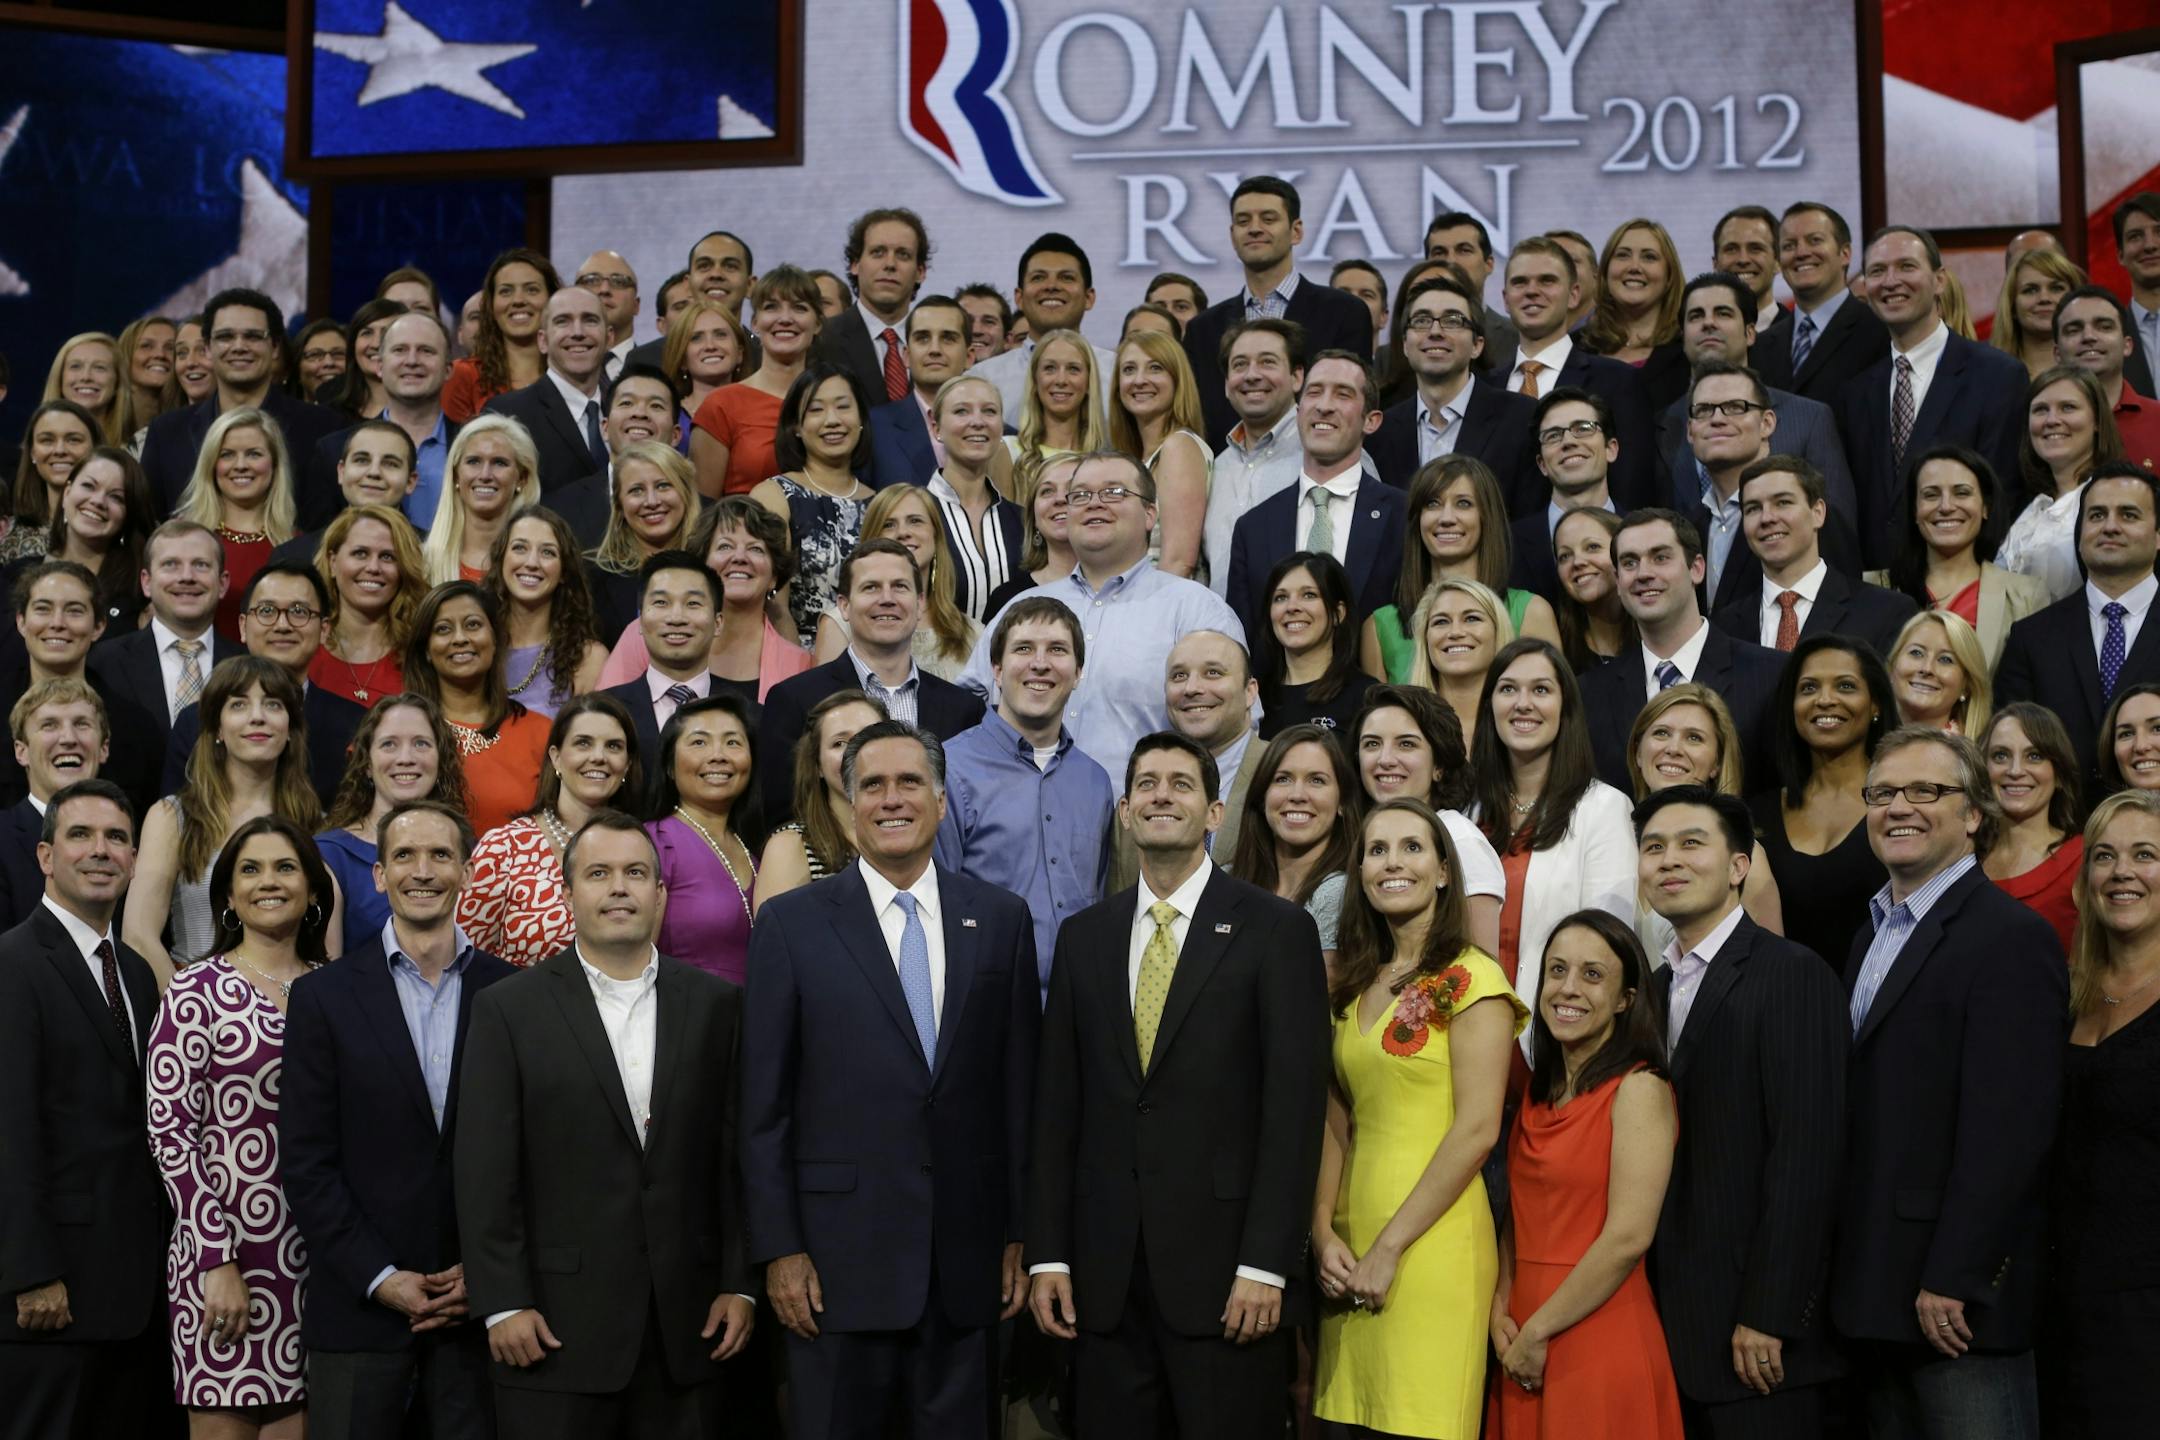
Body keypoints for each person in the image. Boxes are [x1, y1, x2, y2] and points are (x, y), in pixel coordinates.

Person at [1028, 730, 1329, 1438]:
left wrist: (1268, 1264)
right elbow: (1056, 1110)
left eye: (1182, 784)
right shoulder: (1085, 937)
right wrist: (1049, 1252)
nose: (1163, 795)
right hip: (1103, 1283)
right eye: (1148, 785)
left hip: (1228, 1279)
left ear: (1215, 813)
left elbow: (1294, 1112)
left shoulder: (1275, 931)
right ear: (1126, 812)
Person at [745, 718, 1039, 1433]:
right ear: (849, 805)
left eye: (911, 782)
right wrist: (781, 1248)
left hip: (967, 1269)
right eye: (871, 785)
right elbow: (762, 1108)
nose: (892, 799)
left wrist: (1019, 1234)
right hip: (835, 1270)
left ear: (942, 801)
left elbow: (1020, 1094)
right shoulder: (791, 925)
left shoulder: (1000, 920)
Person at [454, 810, 755, 1435]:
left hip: (692, 1330)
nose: (619, 887)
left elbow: (738, 1162)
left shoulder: (719, 1006)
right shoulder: (507, 1009)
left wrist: (741, 1284)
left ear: (661, 895)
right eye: (599, 873)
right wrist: (502, 1300)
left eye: (636, 873)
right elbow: (485, 1170)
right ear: (568, 895)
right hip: (552, 1332)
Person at [1837, 728, 2067, 1438]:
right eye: (1883, 793)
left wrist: (1956, 1273)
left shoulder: (2010, 937)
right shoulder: (1871, 931)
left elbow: (2012, 1129)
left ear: (1974, 814)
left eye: (1926, 791)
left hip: (1955, 1306)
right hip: (1875, 1290)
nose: (1899, 807)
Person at [281, 798, 512, 1440]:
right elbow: (306, 1162)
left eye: (441, 854)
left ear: (466, 871)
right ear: (379, 876)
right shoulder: (323, 997)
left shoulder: (516, 992)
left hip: (480, 1320)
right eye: (404, 855)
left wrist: (486, 1274)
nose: (423, 870)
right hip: (360, 1317)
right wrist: (381, 1279)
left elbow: (532, 1158)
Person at [1634, 785, 1849, 1438]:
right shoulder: (1653, 986)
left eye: (1691, 843)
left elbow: (1806, 1153)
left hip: (1758, 1342)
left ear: (1739, 866)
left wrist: (1771, 1312)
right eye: (1653, 847)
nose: (1669, 859)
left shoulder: (1790, 972)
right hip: (1670, 1329)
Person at [1309, 796, 1522, 1435]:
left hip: (1431, 1251)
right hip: (1349, 1250)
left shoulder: (1473, 978)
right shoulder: (1353, 984)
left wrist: (1390, 1249)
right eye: (1376, 850)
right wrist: (1321, 1229)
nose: (1391, 863)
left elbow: (1479, 1129)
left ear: (1443, 872)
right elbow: (1336, 1122)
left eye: (1411, 848)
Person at [0, 779, 177, 1440]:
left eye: (117, 839)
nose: (100, 851)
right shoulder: (13, 964)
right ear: (46, 856)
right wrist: (31, 1273)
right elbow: (9, 1132)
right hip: (50, 1300)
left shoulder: (133, 970)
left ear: (135, 859)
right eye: (80, 835)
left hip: (134, 1298)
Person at [146, 816, 334, 1433]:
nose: (267, 882)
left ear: (311, 889)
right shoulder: (195, 991)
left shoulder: (341, 991)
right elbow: (171, 1133)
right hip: (225, 1259)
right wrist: (215, 1260)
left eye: (285, 867)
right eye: (249, 870)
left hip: (326, 1260)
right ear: (227, 894)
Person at [1487, 906, 1680, 1438]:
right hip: (1521, 1334)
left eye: (1592, 975)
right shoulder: (1537, 1090)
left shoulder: (1640, 1091)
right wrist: (1500, 1308)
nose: (1568, 989)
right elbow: (1516, 1216)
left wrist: (1538, 1331)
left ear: (1626, 1000)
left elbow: (1627, 1237)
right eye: (1557, 970)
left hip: (1595, 1332)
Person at [962, 451, 1243, 780]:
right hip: (1022, 817)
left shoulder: (1196, 609)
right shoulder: (1024, 609)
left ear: (1150, 514)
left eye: (1114, 492)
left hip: (1143, 821)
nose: (1095, 503)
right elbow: (965, 707)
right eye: (1080, 495)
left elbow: (1235, 733)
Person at [2041, 789, 2160, 1435]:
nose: (2122, 872)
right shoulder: (2065, 994)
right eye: (2105, 856)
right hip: (2062, 1304)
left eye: (2146, 855)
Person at [934, 596, 1113, 998]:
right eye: (1024, 648)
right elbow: (935, 900)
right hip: (985, 1001)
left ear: (1078, 672)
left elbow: (1100, 898)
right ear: (996, 670)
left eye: (1057, 650)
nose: (1040, 663)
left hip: (1078, 1003)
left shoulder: (1096, 782)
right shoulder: (949, 768)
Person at [1837, 226, 2031, 569]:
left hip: (1968, 590)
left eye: (1907, 267)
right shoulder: (1854, 393)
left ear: (1939, 280)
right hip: (1877, 597)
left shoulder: (1998, 376)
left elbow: (2004, 496)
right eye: (1877, 271)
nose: (1891, 281)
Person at [126, 657, 322, 985]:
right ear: (217, 727)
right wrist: (189, 1007)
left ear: (290, 728)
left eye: (272, 704)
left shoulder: (316, 824)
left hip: (294, 1013)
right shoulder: (173, 816)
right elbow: (139, 934)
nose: (257, 717)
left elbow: (324, 949)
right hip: (196, 1013)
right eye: (239, 704)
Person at [760, 538, 984, 820]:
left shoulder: (965, 709)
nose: (887, 599)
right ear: (843, 606)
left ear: (919, 604)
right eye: (871, 587)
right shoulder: (794, 700)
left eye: (899, 587)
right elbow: (781, 812)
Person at [1471, 637, 1638, 999]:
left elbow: (1607, 943)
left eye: (1541, 690)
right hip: (1468, 1022)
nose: (1523, 704)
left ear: (1565, 709)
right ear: (1490, 706)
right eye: (1508, 689)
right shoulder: (1468, 812)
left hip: (1559, 1024)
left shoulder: (1604, 808)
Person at [1578, 508, 1788, 790]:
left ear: (1696, 568)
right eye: (1629, 563)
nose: (1643, 573)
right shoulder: (1589, 693)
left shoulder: (1771, 675)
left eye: (1660, 557)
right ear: (1617, 581)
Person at [1996, 462, 2160, 788]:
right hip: (2061, 829)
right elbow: (2008, 746)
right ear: (2080, 534)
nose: (2110, 527)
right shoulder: (2031, 637)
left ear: (2158, 536)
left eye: (2129, 515)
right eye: (2097, 516)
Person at [1177, 178, 1374, 446]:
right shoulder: (1203, 329)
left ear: (1296, 231)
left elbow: (1354, 404)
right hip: (1227, 476)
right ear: (1232, 234)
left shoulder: (1344, 312)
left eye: (1268, 219)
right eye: (1244, 221)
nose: (1255, 229)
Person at [1657, 274, 1860, 532]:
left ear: (1750, 333)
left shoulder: (1810, 418)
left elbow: (1837, 524)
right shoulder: (1664, 424)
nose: (1708, 323)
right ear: (1683, 336)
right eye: (1696, 316)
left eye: (1723, 313)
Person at [1226, 350, 1405, 637]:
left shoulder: (1404, 516)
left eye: (1342, 394)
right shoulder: (1253, 527)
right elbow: (1243, 640)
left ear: (1371, 421)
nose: (1324, 406)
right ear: (1298, 413)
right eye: (1314, 392)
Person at [162, 562, 368, 807]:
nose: (282, 625)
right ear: (242, 626)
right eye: (267, 610)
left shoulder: (356, 723)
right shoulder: (198, 720)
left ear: (324, 630)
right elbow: (178, 816)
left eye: (299, 612)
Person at [457, 692, 639, 968]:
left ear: (626, 764)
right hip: (519, 1008)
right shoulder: (504, 848)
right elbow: (462, 957)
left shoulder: (640, 848)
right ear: (556, 757)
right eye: (583, 743)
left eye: (613, 746)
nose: (599, 757)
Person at [1749, 634, 1896, 974]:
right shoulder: (1756, 814)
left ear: (1875, 704)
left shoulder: (1900, 809)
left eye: (1845, 687)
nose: (1825, 700)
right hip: (1781, 1009)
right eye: (1809, 688)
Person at [140, 287, 347, 525]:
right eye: (226, 336)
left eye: (253, 336)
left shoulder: (324, 427)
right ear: (208, 348)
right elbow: (148, 524)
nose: (239, 346)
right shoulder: (166, 432)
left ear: (275, 347)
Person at [1364, 455, 1560, 683]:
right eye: (1432, 504)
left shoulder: (1531, 613)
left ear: (1487, 517)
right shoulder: (1380, 626)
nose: (1446, 518)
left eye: (1463, 503)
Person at [1494, 237, 1658, 509]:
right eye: (1520, 282)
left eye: (1547, 281)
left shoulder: (1617, 381)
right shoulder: (1484, 386)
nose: (1532, 291)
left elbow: (1633, 484)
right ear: (1505, 300)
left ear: (1573, 295)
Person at [597, 496, 814, 700]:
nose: (739, 557)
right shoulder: (647, 632)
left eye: (756, 549)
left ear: (774, 577)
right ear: (703, 566)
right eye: (725, 546)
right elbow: (604, 718)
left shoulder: (797, 664)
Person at [1625, 683, 1785, 953]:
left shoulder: (1745, 856)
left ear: (1717, 764)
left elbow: (1769, 970)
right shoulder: (1612, 835)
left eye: (1694, 738)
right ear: (1639, 752)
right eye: (1662, 733)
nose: (1674, 748)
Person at [1349, 684, 1506, 955]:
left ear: (1439, 766)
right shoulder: (1363, 835)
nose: (1385, 759)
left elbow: (1481, 974)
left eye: (1406, 744)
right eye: (1372, 744)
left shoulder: (1460, 839)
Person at [1716, 455, 1916, 660]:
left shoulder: (1885, 612)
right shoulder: (1724, 627)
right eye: (1753, 508)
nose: (1767, 518)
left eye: (1783, 503)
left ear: (1817, 513)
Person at [317, 692, 467, 956]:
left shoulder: (468, 851)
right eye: (389, 745)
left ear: (441, 760)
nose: (406, 758)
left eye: (421, 744)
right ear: (365, 764)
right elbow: (325, 979)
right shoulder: (330, 855)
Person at [1368, 272, 1540, 502]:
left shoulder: (1523, 418)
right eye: (1421, 321)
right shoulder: (1379, 432)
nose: (1436, 332)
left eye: (1452, 321)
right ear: (1405, 346)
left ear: (1477, 346)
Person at [1879, 445, 2051, 669]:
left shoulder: (2027, 597)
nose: (1946, 507)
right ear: (1914, 511)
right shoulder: (1874, 587)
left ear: (1985, 508)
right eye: (1931, 495)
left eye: (1962, 493)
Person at [402, 581, 551, 837]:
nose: (460, 638)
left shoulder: (542, 732)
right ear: (426, 649)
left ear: (496, 639)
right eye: (443, 629)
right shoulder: (397, 728)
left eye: (473, 625)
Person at [1222, 722, 1359, 988]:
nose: (1297, 795)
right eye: (1283, 779)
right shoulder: (1225, 879)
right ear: (1262, 797)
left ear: (1342, 802)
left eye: (1316, 781)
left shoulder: (1339, 892)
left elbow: (1314, 996)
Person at [87, 518, 239, 753]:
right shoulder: (103, 663)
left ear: (222, 583)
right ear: (146, 582)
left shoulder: (247, 664)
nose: (187, 577)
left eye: (201, 565)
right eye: (171, 565)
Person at [750, 364, 875, 647]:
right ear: (795, 426)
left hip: (876, 660)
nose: (832, 420)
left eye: (843, 407)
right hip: (799, 660)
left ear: (861, 420)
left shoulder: (880, 503)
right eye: (816, 410)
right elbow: (772, 606)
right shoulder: (774, 495)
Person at [812, 483, 980, 680]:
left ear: (936, 536)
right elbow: (826, 704)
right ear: (873, 538)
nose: (903, 532)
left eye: (915, 521)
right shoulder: (840, 624)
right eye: (889, 524)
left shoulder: (973, 633)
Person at [692, 264, 825, 497]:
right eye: (771, 307)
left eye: (799, 308)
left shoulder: (835, 402)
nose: (785, 319)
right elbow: (702, 509)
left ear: (818, 324)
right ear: (754, 323)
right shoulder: (721, 405)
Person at [1996, 366, 2126, 602]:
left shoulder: (2117, 499)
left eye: (2068, 407)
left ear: (2097, 421)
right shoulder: (2029, 506)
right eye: (2040, 410)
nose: (2052, 420)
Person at [477, 287, 622, 498]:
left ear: (609, 338)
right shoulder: (506, 414)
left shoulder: (627, 411)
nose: (578, 332)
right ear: (542, 341)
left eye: (590, 320)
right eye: (563, 321)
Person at [1203, 318, 1308, 595]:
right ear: (1227, 384)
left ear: (1297, 377)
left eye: (1267, 362)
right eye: (1239, 365)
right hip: (1222, 634)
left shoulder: (1324, 454)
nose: (1252, 375)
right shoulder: (1215, 467)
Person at [175, 406, 299, 639]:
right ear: (211, 465)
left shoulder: (299, 546)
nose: (240, 465)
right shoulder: (181, 537)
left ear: (274, 464)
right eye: (227, 454)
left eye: (254, 454)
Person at [755, 691, 886, 909]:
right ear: (817, 765)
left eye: (870, 737)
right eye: (839, 743)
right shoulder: (791, 846)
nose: (856, 751)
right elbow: (775, 941)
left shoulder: (910, 835)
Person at [967, 233, 1118, 418]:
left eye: (1067, 277)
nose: (1052, 286)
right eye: (1038, 278)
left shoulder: (1118, 373)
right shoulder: (983, 379)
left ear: (1089, 297)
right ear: (1019, 298)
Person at [1755, 201, 1890, 404]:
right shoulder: (1761, 345)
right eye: (1789, 246)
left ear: (1845, 254)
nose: (1801, 253)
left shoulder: (1881, 332)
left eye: (1815, 240)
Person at [0, 678, 108, 927]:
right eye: (49, 725)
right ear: (21, 751)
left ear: (104, 748)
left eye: (82, 724)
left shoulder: (130, 840)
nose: (68, 738)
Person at [485, 504, 608, 718]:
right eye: (520, 548)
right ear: (501, 559)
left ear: (563, 572)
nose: (532, 562)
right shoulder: (478, 644)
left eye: (547, 552)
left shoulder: (587, 658)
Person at [1981, 702, 2083, 955]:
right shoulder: (1959, 856)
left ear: (2059, 774)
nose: (2015, 771)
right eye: (2000, 756)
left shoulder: (2086, 860)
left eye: (2034, 756)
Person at [1109, 329, 1212, 578]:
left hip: (1166, 608)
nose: (1140, 380)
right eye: (1129, 369)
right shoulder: (1131, 459)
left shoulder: (1179, 447)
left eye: (1155, 368)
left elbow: (1179, 562)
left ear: (1178, 379)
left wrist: (1153, 617)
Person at [923, 374, 1024, 621]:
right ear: (936, 427)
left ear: (1001, 426)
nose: (977, 422)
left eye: (989, 411)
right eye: (961, 411)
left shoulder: (1023, 520)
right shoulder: (913, 515)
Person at [1509, 388, 1622, 602]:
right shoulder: (1507, 546)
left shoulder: (1643, 531)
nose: (1568, 442)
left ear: (1611, 448)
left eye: (1583, 428)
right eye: (1553, 436)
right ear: (1542, 464)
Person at [811, 206, 931, 407]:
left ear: (920, 271)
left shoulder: (938, 342)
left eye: (903, 255)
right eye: (878, 253)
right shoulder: (821, 340)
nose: (890, 264)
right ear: (855, 264)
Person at [309, 504, 425, 709]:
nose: (373, 568)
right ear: (333, 562)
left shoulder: (422, 654)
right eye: (360, 553)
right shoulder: (304, 644)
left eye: (388, 557)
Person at [583, 437, 704, 633]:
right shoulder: (591, 580)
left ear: (686, 493)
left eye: (663, 486)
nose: (652, 501)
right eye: (636, 490)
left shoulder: (715, 567)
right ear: (619, 505)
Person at [34, 443, 156, 634]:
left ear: (129, 515)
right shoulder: (13, 577)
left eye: (116, 498)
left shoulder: (141, 591)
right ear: (66, 493)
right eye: (88, 486)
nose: (98, 501)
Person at [1252, 550, 1373, 736]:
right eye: (1280, 598)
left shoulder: (1367, 697)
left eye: (1309, 595)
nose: (1292, 607)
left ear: (1338, 613)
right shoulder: (1252, 697)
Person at [1579, 218, 1690, 410]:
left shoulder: (1690, 350)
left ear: (1669, 277)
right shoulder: (1574, 350)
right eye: (1622, 255)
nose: (1634, 267)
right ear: (1605, 273)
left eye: (1649, 257)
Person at [864, 294, 972, 489]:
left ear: (969, 356)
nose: (935, 349)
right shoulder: (874, 428)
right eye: (923, 338)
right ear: (906, 355)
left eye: (948, 338)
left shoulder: (1002, 434)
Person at [420, 414, 543, 586]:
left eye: (499, 463)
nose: (485, 475)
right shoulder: (421, 564)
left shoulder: (537, 566)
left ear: (522, 479)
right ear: (456, 476)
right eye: (473, 461)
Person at [441, 248, 559, 423]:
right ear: (491, 305)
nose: (518, 300)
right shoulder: (464, 376)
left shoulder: (568, 373)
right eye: (506, 291)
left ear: (552, 299)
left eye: (532, 290)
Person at [2054, 284, 2160, 469]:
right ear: (2057, 353)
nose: (2088, 336)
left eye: (2104, 327)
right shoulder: (2042, 425)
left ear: (2127, 345)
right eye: (2073, 330)